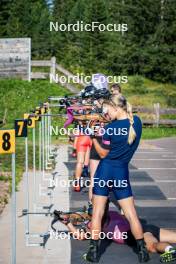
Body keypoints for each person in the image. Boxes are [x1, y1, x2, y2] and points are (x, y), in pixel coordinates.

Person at [84, 94, 149, 263]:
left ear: (115, 107)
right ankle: (143, 252)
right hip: (121, 171)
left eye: (107, 110)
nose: (106, 114)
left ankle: (93, 252)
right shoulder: (137, 123)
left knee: (97, 214)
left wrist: (93, 137)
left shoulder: (110, 129)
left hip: (105, 171)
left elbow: (104, 153)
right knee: (131, 214)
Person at [52, 205, 176, 263]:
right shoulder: (112, 213)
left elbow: (80, 235)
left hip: (137, 234)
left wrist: (68, 223)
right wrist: (67, 222)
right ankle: (169, 248)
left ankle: (170, 250)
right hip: (143, 228)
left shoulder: (95, 226)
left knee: (153, 246)